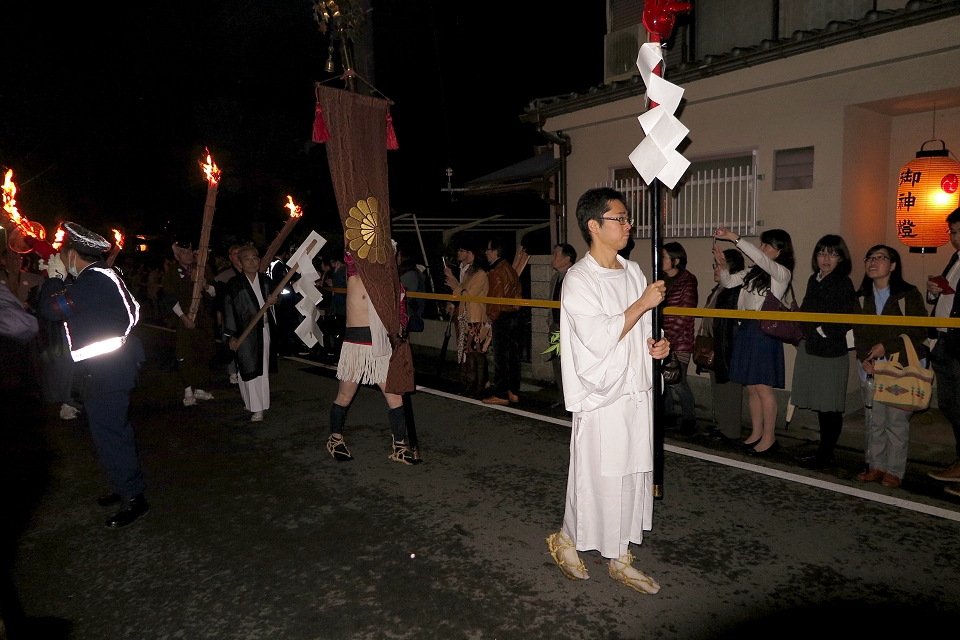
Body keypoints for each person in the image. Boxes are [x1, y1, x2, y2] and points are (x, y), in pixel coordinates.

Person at [546, 187, 669, 594]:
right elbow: (599, 336)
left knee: (633, 474)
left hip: (636, 389)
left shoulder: (633, 271)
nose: (628, 225)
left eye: (628, 217)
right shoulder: (579, 279)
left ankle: (620, 556)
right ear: (594, 226)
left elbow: (644, 330)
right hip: (604, 395)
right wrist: (642, 304)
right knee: (595, 474)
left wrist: (657, 345)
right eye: (620, 218)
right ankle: (567, 538)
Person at [38, 222, 147, 528]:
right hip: (108, 369)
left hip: (107, 372)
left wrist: (54, 278)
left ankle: (134, 498)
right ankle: (124, 486)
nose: (62, 261)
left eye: (64, 256)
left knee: (112, 436)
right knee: (111, 434)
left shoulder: (94, 281)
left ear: (73, 255)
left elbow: (51, 309)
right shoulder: (102, 277)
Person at [325, 247, 420, 465]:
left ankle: (399, 446)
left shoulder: (395, 287)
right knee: (345, 396)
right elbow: (351, 248)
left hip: (381, 347)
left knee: (395, 398)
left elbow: (401, 320)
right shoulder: (354, 275)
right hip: (355, 346)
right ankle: (335, 438)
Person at [713, 226, 795, 456]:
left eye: (768, 245)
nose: (762, 249)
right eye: (762, 244)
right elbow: (728, 282)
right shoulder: (754, 272)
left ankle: (769, 437)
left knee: (763, 387)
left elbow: (760, 258)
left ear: (780, 251)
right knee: (751, 387)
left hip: (763, 331)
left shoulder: (781, 273)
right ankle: (756, 433)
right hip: (747, 328)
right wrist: (722, 266)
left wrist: (735, 238)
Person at [853, 244, 927, 489]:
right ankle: (876, 465)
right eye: (870, 258)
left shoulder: (908, 295)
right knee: (874, 420)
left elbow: (919, 331)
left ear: (893, 265)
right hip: (873, 369)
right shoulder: (862, 296)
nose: (873, 262)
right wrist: (864, 356)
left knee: (896, 422)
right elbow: (859, 332)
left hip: (899, 370)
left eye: (880, 258)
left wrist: (888, 346)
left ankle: (894, 470)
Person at [791, 235, 857, 469]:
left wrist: (820, 329)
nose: (826, 258)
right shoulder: (814, 279)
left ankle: (826, 454)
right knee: (821, 404)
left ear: (841, 258)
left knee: (830, 405)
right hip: (812, 348)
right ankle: (822, 452)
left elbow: (847, 317)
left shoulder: (843, 282)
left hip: (831, 351)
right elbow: (808, 307)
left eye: (832, 254)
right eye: (822, 253)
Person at [926, 208, 960, 496]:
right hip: (945, 339)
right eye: (952, 232)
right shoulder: (955, 259)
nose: (955, 237)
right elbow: (944, 298)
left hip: (957, 342)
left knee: (958, 405)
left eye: (959, 231)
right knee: (949, 404)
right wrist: (934, 291)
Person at [223, 246, 278, 422]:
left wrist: (273, 302)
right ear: (240, 262)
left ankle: (259, 407)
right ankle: (252, 403)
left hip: (264, 329)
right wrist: (231, 335)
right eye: (247, 259)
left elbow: (278, 302)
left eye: (255, 258)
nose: (252, 262)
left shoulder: (266, 280)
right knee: (247, 367)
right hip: (244, 332)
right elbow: (229, 310)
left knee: (261, 368)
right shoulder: (234, 284)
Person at [163, 243, 217, 406]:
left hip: (203, 320)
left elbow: (214, 293)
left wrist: (205, 285)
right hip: (183, 320)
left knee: (203, 352)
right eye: (183, 252)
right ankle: (188, 390)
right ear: (177, 256)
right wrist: (185, 318)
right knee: (185, 354)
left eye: (189, 252)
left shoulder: (202, 269)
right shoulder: (172, 273)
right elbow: (170, 298)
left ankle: (201, 388)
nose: (187, 255)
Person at [700, 248, 745, 441]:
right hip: (715, 346)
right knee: (718, 388)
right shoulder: (717, 290)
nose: (716, 270)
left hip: (728, 348)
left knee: (729, 390)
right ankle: (722, 425)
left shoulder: (734, 291)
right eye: (715, 265)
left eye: (719, 265)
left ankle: (731, 430)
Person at [661, 242, 698, 435]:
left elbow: (685, 315)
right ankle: (668, 416)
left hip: (680, 341)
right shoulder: (662, 280)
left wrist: (668, 337)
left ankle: (689, 419)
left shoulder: (687, 281)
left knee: (678, 381)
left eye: (665, 256)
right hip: (662, 340)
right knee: (662, 380)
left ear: (676, 260)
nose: (661, 260)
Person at [444, 241, 489, 397]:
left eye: (469, 252)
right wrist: (453, 282)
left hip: (476, 317)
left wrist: (454, 286)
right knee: (469, 351)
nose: (467, 255)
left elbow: (468, 294)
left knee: (477, 351)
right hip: (467, 315)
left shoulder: (481, 274)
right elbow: (462, 290)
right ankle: (471, 385)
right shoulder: (472, 273)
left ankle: (479, 386)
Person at [482, 238, 522, 405]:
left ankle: (500, 393)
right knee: (513, 356)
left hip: (502, 316)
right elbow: (519, 292)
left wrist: (491, 316)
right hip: (514, 315)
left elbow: (496, 298)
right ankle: (513, 391)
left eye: (489, 250)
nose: (486, 253)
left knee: (501, 357)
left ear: (495, 252)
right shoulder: (511, 269)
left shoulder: (496, 271)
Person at [548, 243, 576, 408]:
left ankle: (572, 399)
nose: (553, 258)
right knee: (557, 363)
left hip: (569, 330)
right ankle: (562, 398)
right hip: (556, 326)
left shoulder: (574, 277)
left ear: (567, 258)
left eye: (557, 255)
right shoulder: (555, 278)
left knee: (569, 365)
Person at [215, 244, 243, 384]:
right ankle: (232, 371)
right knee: (230, 342)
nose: (238, 257)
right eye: (235, 254)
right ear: (230, 257)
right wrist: (220, 317)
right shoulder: (223, 276)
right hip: (229, 314)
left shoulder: (250, 272)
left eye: (240, 253)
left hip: (246, 314)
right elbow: (220, 300)